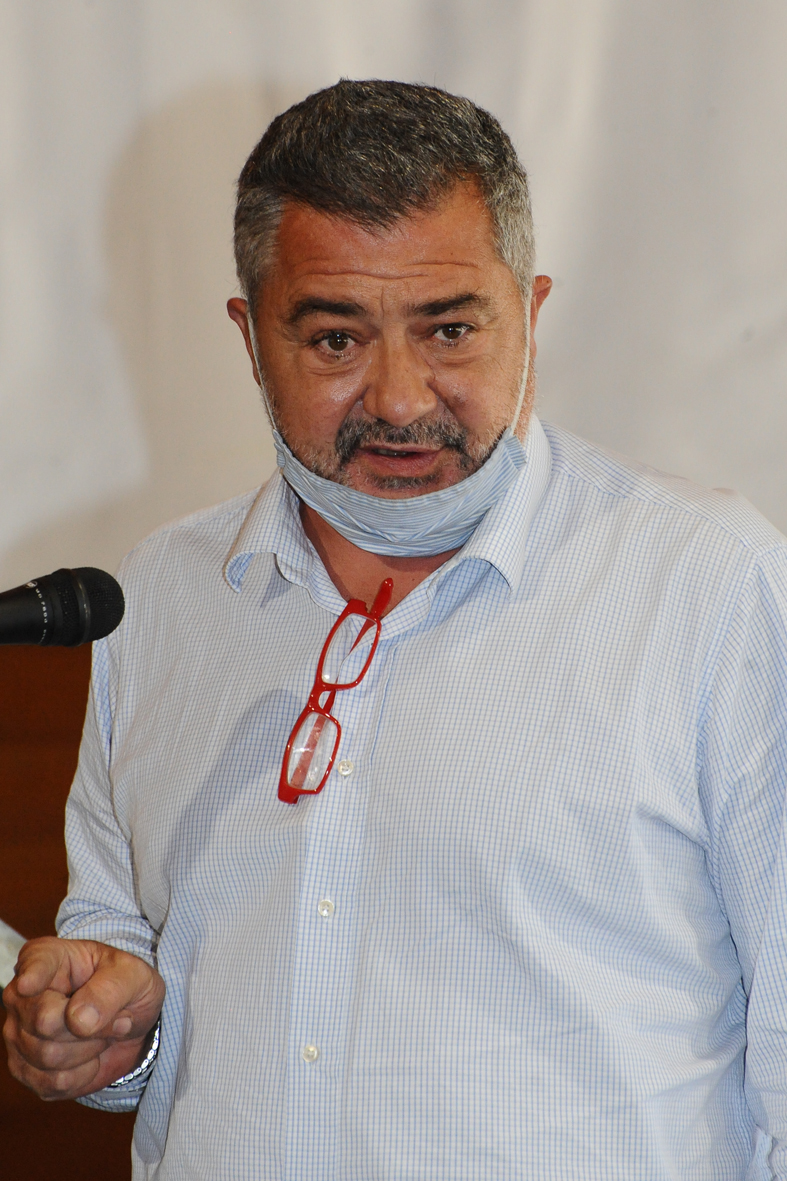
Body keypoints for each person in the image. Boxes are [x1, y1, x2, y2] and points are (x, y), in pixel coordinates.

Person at [4, 79, 787, 1181]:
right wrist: (99, 1032)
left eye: (450, 330)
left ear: (530, 310)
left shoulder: (705, 583)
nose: (401, 398)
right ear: (250, 336)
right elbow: (119, 952)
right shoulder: (161, 597)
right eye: (335, 338)